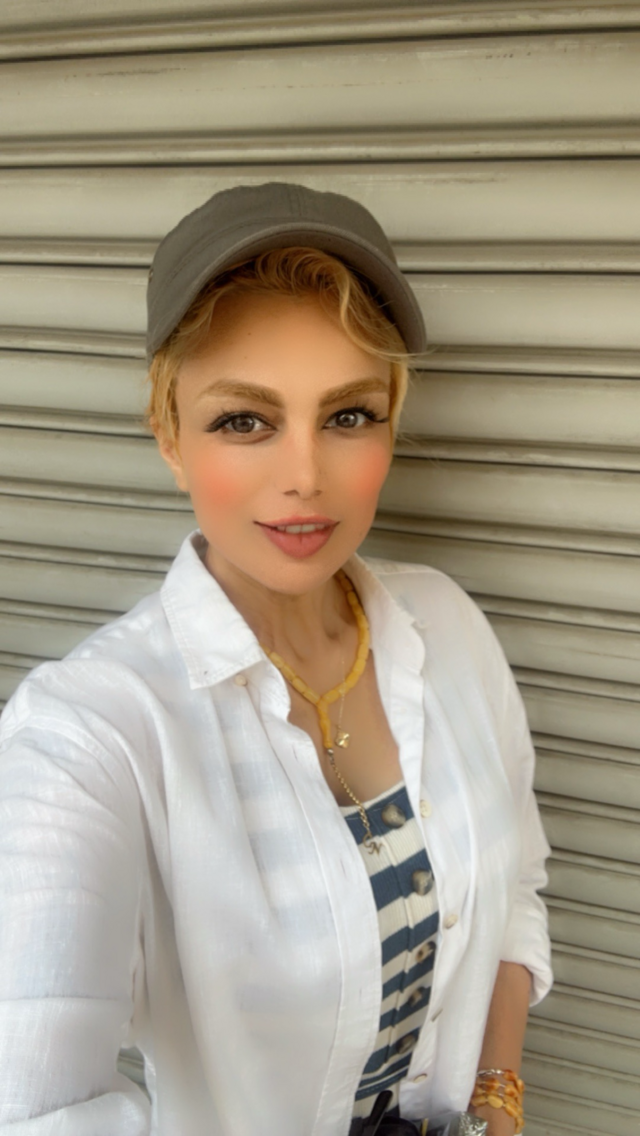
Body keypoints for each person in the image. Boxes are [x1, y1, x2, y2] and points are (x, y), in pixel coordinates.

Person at [0, 182, 552, 1136]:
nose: (305, 476)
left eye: (348, 416)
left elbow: (517, 889)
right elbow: (34, 1107)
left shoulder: (449, 626)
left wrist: (496, 1100)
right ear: (169, 437)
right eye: (244, 421)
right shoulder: (87, 736)